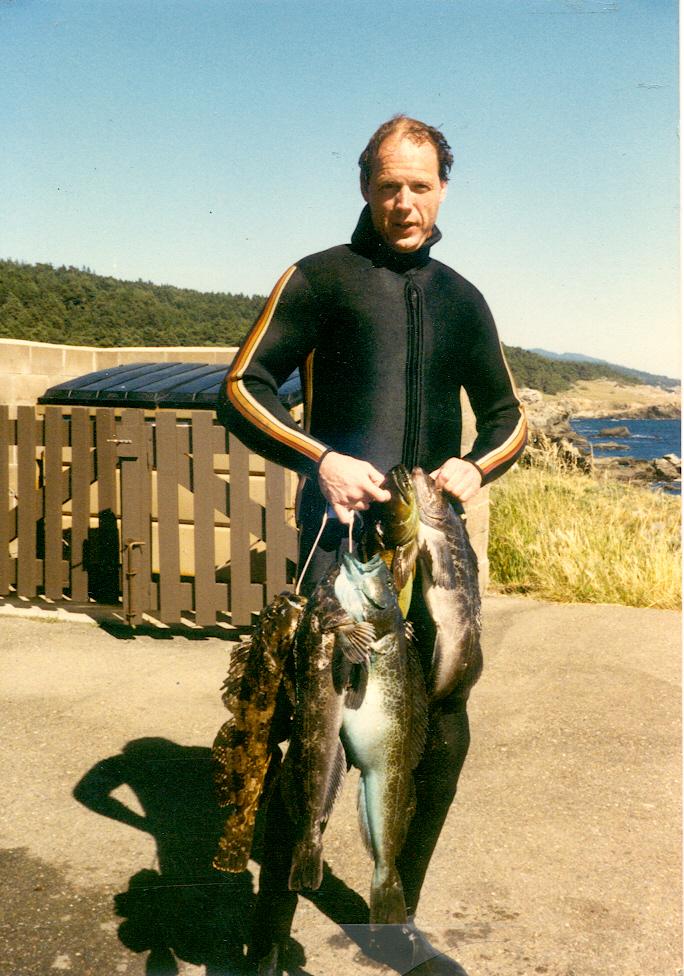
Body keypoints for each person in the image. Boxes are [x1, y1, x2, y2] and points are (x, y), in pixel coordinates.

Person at [217, 115, 527, 976]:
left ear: (443, 190)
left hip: (436, 553)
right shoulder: (320, 279)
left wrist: (473, 466)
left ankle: (396, 917)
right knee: (310, 730)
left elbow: (509, 417)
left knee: (446, 729)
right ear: (365, 187)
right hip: (339, 545)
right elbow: (241, 387)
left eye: (420, 186)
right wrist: (320, 457)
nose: (404, 202)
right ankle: (267, 935)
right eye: (389, 184)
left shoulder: (464, 298)